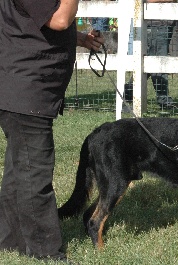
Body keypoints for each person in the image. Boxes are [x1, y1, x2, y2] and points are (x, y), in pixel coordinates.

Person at [0, 0, 104, 262]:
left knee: (19, 171)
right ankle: (44, 251)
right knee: (35, 173)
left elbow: (37, 21)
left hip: (23, 89)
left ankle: (9, 239)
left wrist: (79, 39)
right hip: (25, 89)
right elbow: (59, 19)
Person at [127, 0, 177, 109]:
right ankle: (164, 100)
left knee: (150, 63)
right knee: (157, 63)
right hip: (155, 24)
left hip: (163, 23)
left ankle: (128, 92)